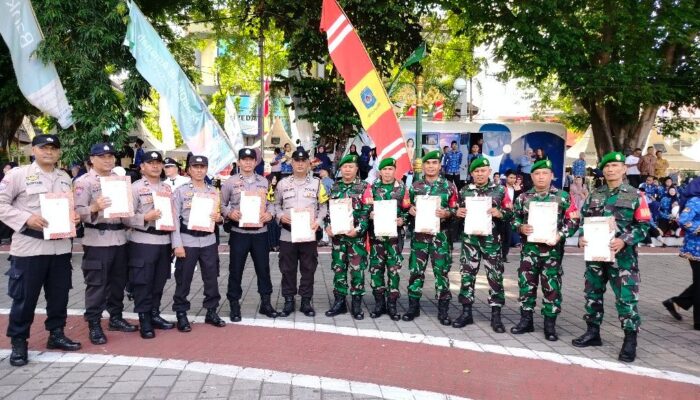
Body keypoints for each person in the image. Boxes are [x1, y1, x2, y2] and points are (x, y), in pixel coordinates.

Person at [0, 135, 82, 366]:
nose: (49, 152)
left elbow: (68, 207)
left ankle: (56, 334)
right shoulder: (18, 175)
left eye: (54, 148)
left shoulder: (64, 177)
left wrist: (73, 216)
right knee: (25, 298)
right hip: (30, 247)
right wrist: (26, 218)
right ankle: (19, 341)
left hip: (60, 247)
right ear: (34, 149)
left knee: (59, 295)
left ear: (59, 153)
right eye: (44, 148)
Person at [573, 151, 650, 363]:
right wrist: (581, 237)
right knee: (592, 294)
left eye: (615, 166)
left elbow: (644, 226)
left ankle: (630, 340)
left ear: (624, 169)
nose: (610, 169)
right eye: (607, 166)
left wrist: (624, 239)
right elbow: (584, 221)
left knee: (626, 299)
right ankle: (593, 332)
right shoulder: (595, 194)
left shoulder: (635, 195)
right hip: (596, 256)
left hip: (623, 258)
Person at [74, 143, 137, 345]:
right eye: (103, 156)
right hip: (97, 239)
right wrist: (94, 206)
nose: (108, 160)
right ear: (92, 159)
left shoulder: (120, 181)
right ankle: (94, 323)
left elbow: (127, 215)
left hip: (120, 238)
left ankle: (116, 317)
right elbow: (76, 212)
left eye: (111, 156)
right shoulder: (83, 182)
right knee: (97, 284)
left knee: (118, 281)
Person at [510, 159, 580, 341]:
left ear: (551, 176)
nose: (541, 177)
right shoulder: (523, 198)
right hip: (529, 252)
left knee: (552, 288)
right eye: (537, 174)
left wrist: (560, 234)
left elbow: (573, 220)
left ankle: (550, 325)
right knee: (526, 285)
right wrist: (520, 228)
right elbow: (513, 219)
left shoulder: (563, 197)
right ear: (531, 176)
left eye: (544, 173)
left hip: (552, 253)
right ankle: (526, 321)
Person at [453, 157, 510, 332]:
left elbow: (511, 212)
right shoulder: (464, 192)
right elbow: (456, 211)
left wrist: (500, 213)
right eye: (476, 171)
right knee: (467, 276)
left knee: (495, 277)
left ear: (489, 171)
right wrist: (458, 212)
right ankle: (466, 312)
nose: (480, 174)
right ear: (471, 173)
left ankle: (496, 315)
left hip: (491, 241)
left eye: (483, 170)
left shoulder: (500, 190)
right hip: (470, 241)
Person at [221, 148, 278, 322]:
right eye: (244, 160)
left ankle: (266, 303)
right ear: (239, 162)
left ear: (256, 162)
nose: (247, 163)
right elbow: (221, 204)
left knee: (263, 269)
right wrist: (229, 213)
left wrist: (270, 214)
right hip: (239, 233)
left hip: (260, 233)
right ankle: (234, 304)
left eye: (250, 160)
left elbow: (271, 203)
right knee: (235, 270)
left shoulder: (264, 182)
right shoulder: (230, 182)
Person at [171, 156, 226, 331]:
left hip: (208, 240)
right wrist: (177, 244)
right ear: (188, 169)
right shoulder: (180, 191)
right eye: (195, 167)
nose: (199, 170)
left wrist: (220, 219)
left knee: (211, 277)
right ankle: (181, 313)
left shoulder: (213, 191)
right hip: (188, 240)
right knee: (184, 278)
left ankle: (211, 310)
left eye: (203, 167)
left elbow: (219, 216)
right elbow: (174, 220)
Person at [124, 151, 176, 339]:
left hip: (163, 241)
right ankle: (144, 318)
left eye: (158, 162)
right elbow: (124, 217)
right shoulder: (135, 188)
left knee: (159, 280)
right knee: (143, 281)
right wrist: (145, 217)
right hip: (143, 240)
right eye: (150, 162)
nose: (155, 166)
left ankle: (154, 313)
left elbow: (173, 217)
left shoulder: (167, 189)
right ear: (142, 167)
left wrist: (174, 243)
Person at [403, 150, 458, 324]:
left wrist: (447, 213)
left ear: (440, 166)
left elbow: (457, 209)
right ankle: (413, 307)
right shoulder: (415, 186)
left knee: (441, 273)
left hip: (440, 237)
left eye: (435, 163)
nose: (431, 166)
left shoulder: (449, 186)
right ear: (423, 166)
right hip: (419, 237)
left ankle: (443, 310)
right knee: (416, 271)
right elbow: (406, 206)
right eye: (428, 163)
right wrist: (410, 210)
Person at [273, 149, 329, 317]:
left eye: (303, 161)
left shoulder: (317, 184)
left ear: (308, 163)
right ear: (291, 163)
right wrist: (281, 216)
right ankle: (289, 300)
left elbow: (323, 206)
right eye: (296, 161)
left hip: (308, 234)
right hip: (287, 234)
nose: (300, 164)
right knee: (287, 268)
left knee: (308, 268)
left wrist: (318, 222)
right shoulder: (282, 184)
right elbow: (275, 204)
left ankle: (306, 301)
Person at [324, 155, 370, 319]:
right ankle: (340, 302)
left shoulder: (365, 187)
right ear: (341, 169)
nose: (348, 169)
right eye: (345, 167)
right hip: (338, 238)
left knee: (357, 270)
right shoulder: (335, 187)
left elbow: (367, 213)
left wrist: (358, 230)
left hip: (356, 238)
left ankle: (357, 304)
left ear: (356, 169)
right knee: (338, 269)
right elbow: (328, 211)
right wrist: (327, 225)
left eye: (351, 166)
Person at [364, 158, 409, 320]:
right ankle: (379, 304)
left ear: (394, 170)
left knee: (394, 270)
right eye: (385, 169)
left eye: (390, 169)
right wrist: (369, 215)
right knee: (376, 270)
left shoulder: (402, 188)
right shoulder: (372, 188)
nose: (387, 172)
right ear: (380, 171)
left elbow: (407, 209)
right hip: (377, 238)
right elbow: (365, 208)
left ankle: (392, 304)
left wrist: (403, 220)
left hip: (394, 238)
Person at [663, 178, 700, 330]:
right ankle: (698, 321)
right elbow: (683, 219)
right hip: (696, 248)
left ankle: (678, 302)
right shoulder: (695, 201)